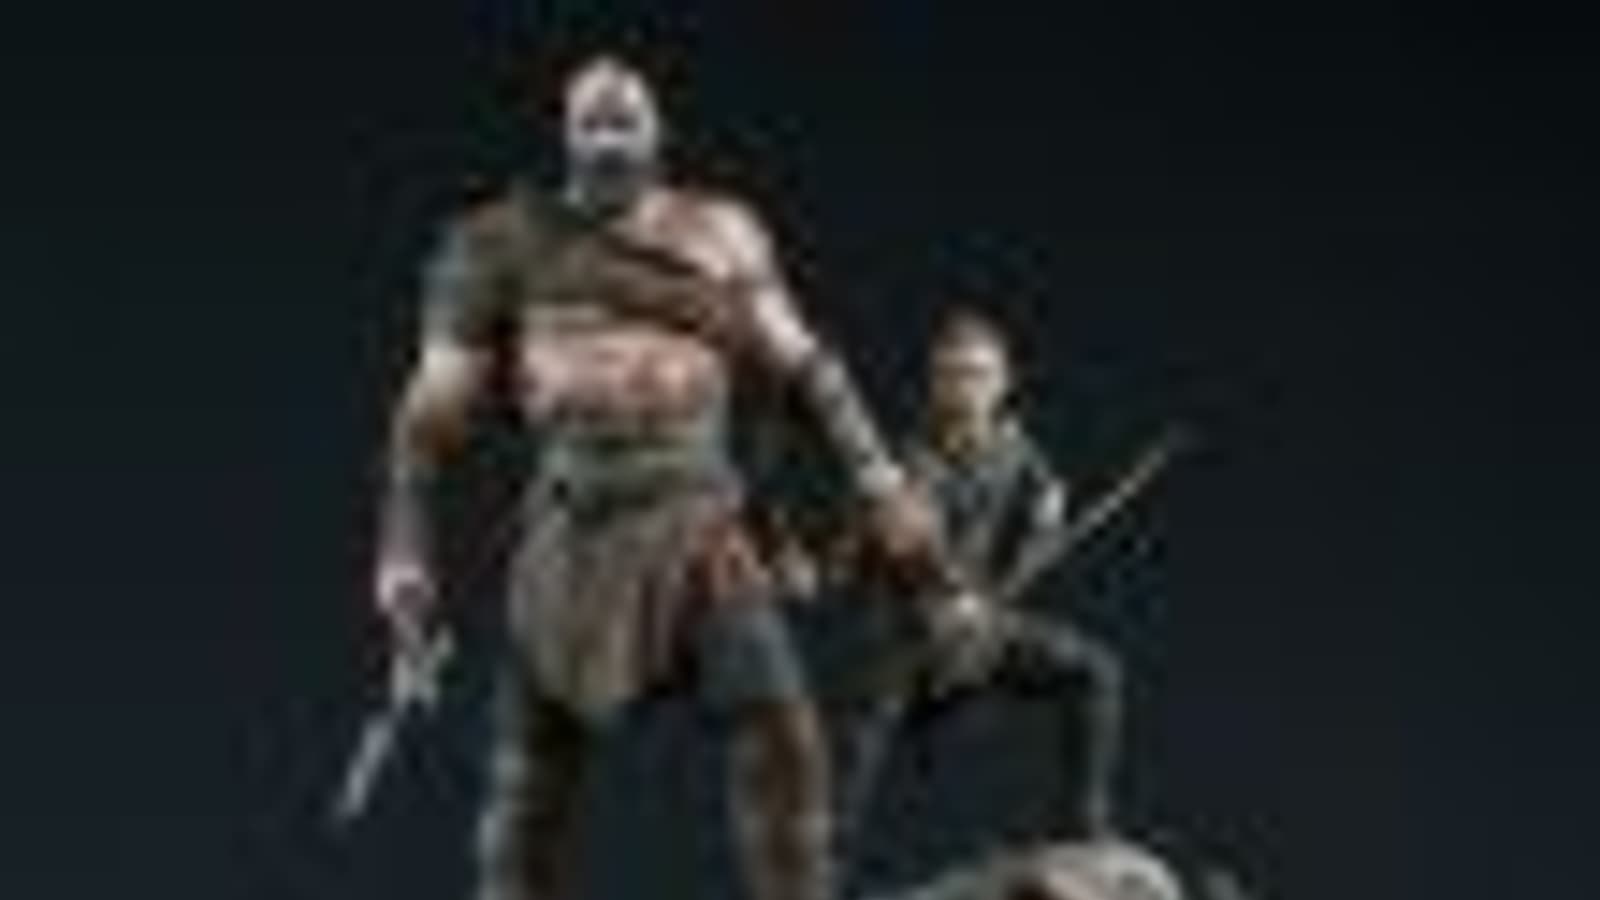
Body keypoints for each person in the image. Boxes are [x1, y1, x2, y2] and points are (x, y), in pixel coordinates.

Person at [370, 55, 954, 900]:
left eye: (626, 116)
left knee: (782, 737)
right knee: (525, 791)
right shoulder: (499, 245)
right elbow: (429, 417)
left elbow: (805, 368)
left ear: (658, 132)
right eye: (592, 117)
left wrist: (879, 481)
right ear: (567, 135)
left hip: (699, 527)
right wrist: (404, 552)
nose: (609, 127)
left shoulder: (723, 233)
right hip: (571, 529)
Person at [842, 310, 1125, 846]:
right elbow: (910, 541)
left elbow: (1045, 493)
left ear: (1002, 383)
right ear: (934, 385)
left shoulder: (1013, 448)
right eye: (953, 375)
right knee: (859, 738)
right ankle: (821, 861)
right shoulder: (910, 460)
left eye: (978, 375)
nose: (966, 389)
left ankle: (1081, 820)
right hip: (910, 634)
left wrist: (1048, 514)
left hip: (981, 626)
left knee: (1095, 672)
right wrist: (944, 589)